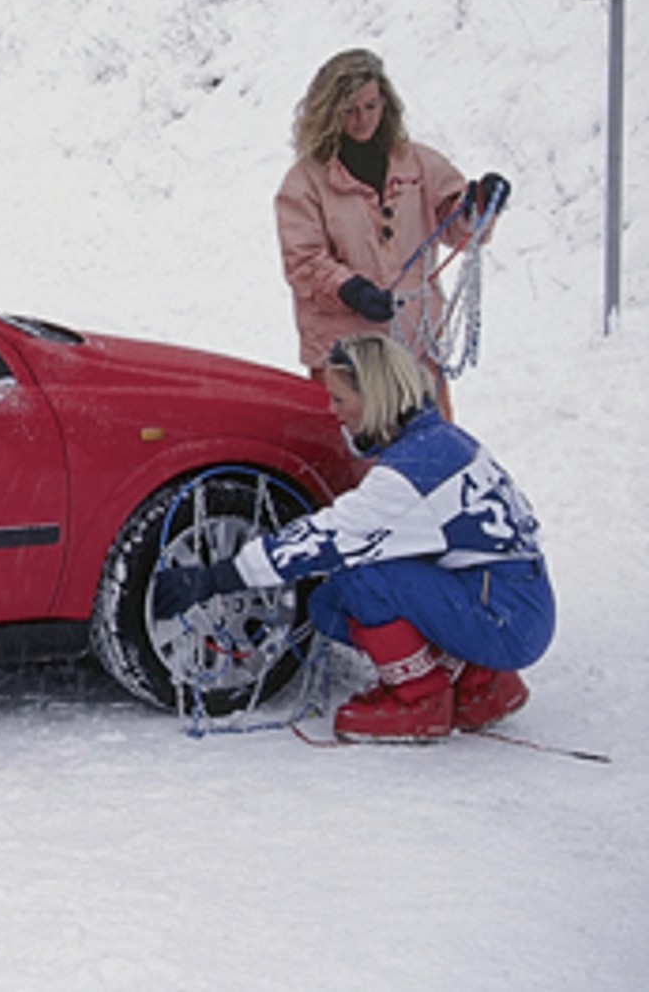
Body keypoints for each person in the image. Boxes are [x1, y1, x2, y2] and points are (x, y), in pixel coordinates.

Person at [152, 333, 553, 742]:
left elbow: (328, 536)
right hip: (512, 603)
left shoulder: (410, 472)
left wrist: (217, 578)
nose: (334, 411)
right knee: (329, 605)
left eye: (341, 399)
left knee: (359, 577)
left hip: (503, 617)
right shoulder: (441, 442)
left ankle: (420, 701)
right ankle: (483, 684)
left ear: (374, 395)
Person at [276, 48, 510, 419]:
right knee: (354, 458)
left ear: (385, 104)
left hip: (413, 339)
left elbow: (460, 229)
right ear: (329, 112)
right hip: (346, 353)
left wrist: (481, 207)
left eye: (370, 106)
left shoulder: (418, 164)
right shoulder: (304, 182)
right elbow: (303, 261)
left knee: (429, 451)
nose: (362, 119)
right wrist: (350, 289)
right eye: (350, 110)